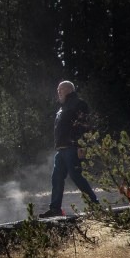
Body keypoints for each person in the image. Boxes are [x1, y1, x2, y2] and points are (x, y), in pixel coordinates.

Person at [43, 80, 99, 217]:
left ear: (68, 89)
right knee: (56, 178)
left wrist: (82, 145)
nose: (58, 93)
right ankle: (55, 209)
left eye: (60, 90)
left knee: (76, 176)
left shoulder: (79, 104)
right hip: (61, 149)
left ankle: (95, 204)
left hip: (73, 147)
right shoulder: (62, 108)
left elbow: (84, 125)